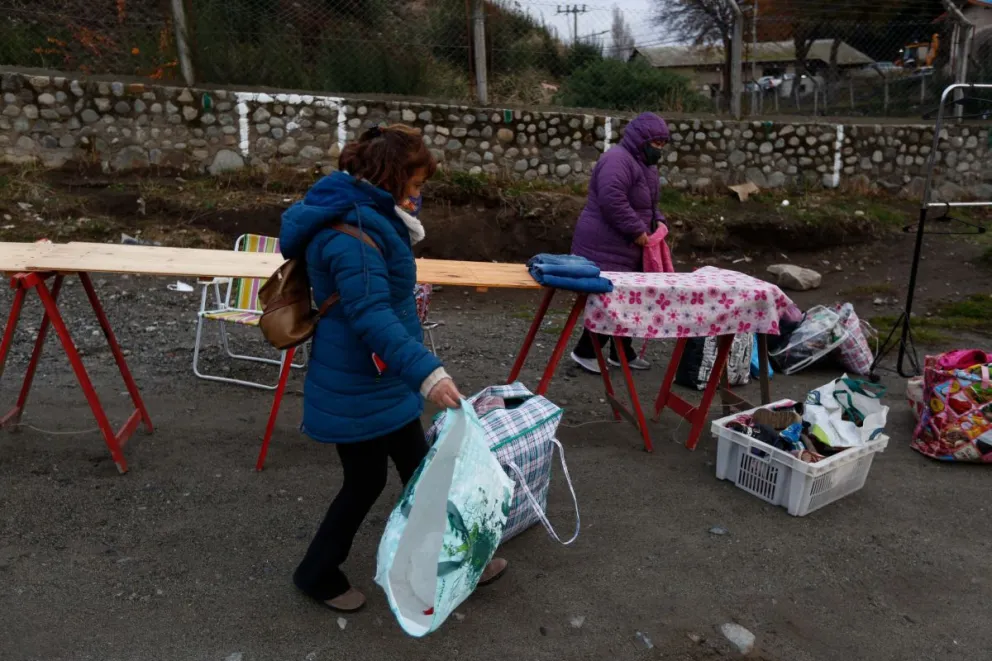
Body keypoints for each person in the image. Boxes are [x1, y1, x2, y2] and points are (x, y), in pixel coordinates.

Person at [279, 124, 507, 613]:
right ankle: (315, 573)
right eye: (416, 184)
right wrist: (429, 373)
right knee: (366, 481)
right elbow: (371, 314)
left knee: (420, 470)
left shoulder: (369, 217)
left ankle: (464, 556)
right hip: (359, 383)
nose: (418, 194)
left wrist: (414, 371)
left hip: (383, 377)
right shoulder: (352, 235)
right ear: (391, 178)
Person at [569, 112, 670, 374]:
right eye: (655, 144)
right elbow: (612, 199)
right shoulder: (617, 160)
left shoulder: (646, 166)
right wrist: (637, 231)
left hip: (626, 247)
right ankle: (585, 351)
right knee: (609, 300)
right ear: (641, 140)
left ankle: (621, 353)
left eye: (662, 145)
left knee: (628, 301)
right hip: (603, 246)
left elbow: (649, 204)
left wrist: (658, 221)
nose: (659, 150)